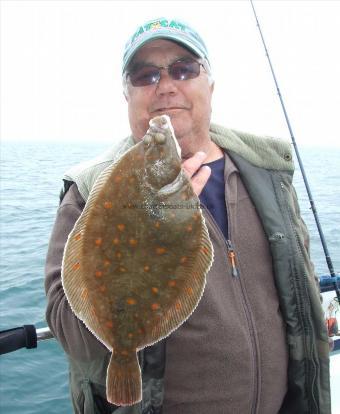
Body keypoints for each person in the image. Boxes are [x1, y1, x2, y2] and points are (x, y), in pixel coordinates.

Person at [45, 17, 331, 414]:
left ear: (209, 84)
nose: (165, 86)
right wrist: (146, 233)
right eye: (145, 75)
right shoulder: (89, 191)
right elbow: (67, 327)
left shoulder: (268, 174)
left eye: (183, 69)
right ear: (126, 95)